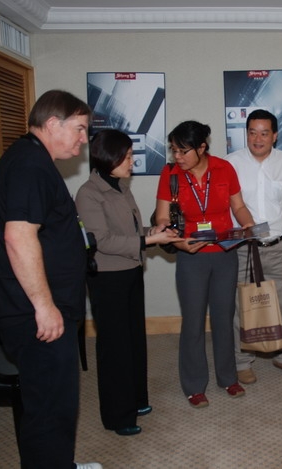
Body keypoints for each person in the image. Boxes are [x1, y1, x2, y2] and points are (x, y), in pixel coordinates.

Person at [0, 90, 102, 469]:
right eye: (80, 128)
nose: (84, 139)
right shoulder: (30, 165)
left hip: (45, 309)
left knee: (57, 403)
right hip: (37, 314)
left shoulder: (32, 160)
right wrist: (44, 306)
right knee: (50, 409)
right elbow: (18, 237)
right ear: (53, 124)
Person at [75, 129, 179, 436]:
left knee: (134, 340)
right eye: (128, 156)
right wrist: (149, 240)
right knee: (114, 347)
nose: (132, 162)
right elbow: (102, 241)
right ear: (109, 157)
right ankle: (117, 416)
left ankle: (136, 401)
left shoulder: (121, 187)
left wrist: (155, 232)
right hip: (107, 278)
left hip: (131, 271)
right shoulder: (88, 193)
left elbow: (130, 232)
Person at [154, 120, 255, 408]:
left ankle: (228, 378)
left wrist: (249, 225)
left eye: (183, 151)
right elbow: (162, 217)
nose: (177, 157)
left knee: (224, 317)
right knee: (193, 321)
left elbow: (238, 206)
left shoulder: (224, 169)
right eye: (174, 150)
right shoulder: (170, 174)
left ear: (201, 148)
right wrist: (178, 242)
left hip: (224, 253)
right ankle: (194, 385)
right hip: (191, 256)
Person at [226, 109, 282, 384]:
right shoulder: (231, 164)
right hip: (244, 248)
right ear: (246, 134)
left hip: (277, 246)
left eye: (264, 133)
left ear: (275, 136)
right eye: (252, 133)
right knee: (242, 305)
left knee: (281, 303)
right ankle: (242, 361)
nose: (258, 139)